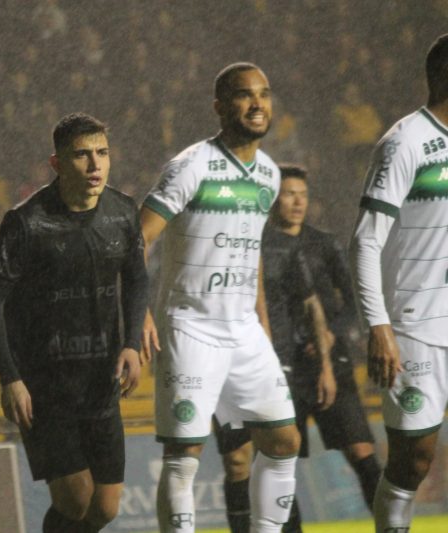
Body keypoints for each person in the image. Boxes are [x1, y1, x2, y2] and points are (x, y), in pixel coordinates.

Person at [140, 63, 300, 533]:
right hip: (191, 326)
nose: (257, 104)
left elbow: (251, 257)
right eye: (244, 95)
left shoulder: (269, 175)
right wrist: (138, 315)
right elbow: (136, 240)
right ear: (219, 107)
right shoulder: (191, 165)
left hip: (244, 331)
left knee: (284, 440)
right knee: (184, 454)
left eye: (264, 95)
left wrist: (262, 326)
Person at [0, 112, 149, 532]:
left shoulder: (123, 211)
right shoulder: (27, 221)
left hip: (100, 379)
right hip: (46, 384)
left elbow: (137, 276)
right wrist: (10, 377)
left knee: (105, 507)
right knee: (75, 499)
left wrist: (130, 342)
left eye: (102, 153)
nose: (96, 166)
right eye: (82, 155)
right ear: (56, 164)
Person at [218, 164, 381, 533]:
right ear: (273, 199)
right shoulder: (259, 244)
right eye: (289, 194)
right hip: (283, 367)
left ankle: (390, 526)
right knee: (281, 460)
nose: (296, 202)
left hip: (330, 364)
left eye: (302, 195)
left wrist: (332, 335)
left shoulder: (324, 244)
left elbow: (353, 300)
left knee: (362, 452)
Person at [351, 33, 448, 532]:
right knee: (413, 462)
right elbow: (365, 241)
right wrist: (379, 326)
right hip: (415, 327)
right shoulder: (405, 142)